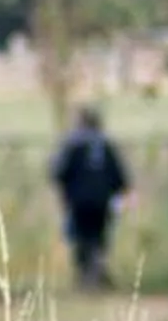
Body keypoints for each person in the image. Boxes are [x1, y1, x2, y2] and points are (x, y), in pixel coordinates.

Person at [50, 106, 128, 288]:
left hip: (78, 201)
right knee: (99, 236)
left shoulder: (72, 144)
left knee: (81, 237)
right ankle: (97, 272)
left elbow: (58, 172)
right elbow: (120, 176)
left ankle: (86, 275)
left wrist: (65, 192)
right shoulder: (106, 145)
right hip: (103, 200)